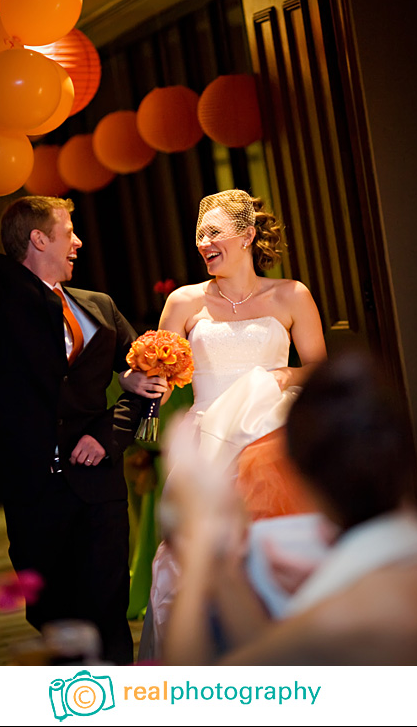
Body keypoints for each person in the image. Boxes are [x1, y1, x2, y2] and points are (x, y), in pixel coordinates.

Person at [0, 133, 142, 665]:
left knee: (108, 609)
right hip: (34, 487)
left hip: (98, 486)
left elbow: (149, 385)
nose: (78, 244)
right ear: (37, 241)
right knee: (53, 618)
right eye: (68, 234)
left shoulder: (100, 305)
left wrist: (109, 435)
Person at [124, 188, 327, 658]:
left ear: (248, 235)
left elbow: (318, 367)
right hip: (206, 440)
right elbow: (165, 377)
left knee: (269, 554)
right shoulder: (183, 302)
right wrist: (149, 376)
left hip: (269, 440)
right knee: (196, 560)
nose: (204, 243)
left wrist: (285, 374)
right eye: (200, 235)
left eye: (214, 232)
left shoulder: (291, 295)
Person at [162, 352, 417, 666]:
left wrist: (199, 546)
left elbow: (188, 692)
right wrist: (225, 575)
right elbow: (275, 652)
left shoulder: (343, 617)